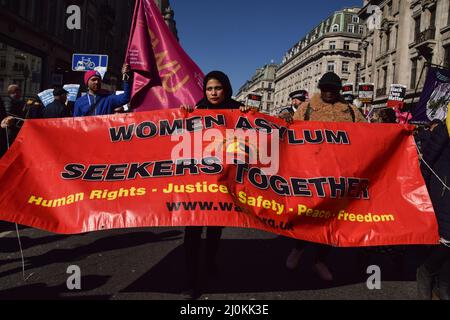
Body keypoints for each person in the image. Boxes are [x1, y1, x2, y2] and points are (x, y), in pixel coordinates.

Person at [284, 72, 365, 281]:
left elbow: (369, 135)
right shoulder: (307, 107)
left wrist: (398, 131)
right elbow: (289, 132)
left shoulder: (351, 110)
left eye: (333, 89)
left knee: (331, 220)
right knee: (308, 214)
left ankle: (320, 261)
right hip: (311, 172)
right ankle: (298, 248)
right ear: (320, 88)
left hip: (339, 174)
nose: (328, 93)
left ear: (338, 91)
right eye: (325, 89)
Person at [180, 70, 249, 299]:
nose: (213, 92)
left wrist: (260, 115)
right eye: (209, 88)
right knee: (191, 233)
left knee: (214, 230)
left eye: (217, 88)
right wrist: (185, 115)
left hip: (222, 184)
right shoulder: (195, 110)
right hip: (197, 185)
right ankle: (190, 280)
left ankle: (209, 263)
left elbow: (260, 128)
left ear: (226, 88)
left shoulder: (239, 110)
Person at [417, 119, 450, 300]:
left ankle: (443, 284)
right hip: (445, 189)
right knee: (448, 237)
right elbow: (427, 161)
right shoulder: (445, 128)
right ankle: (426, 270)